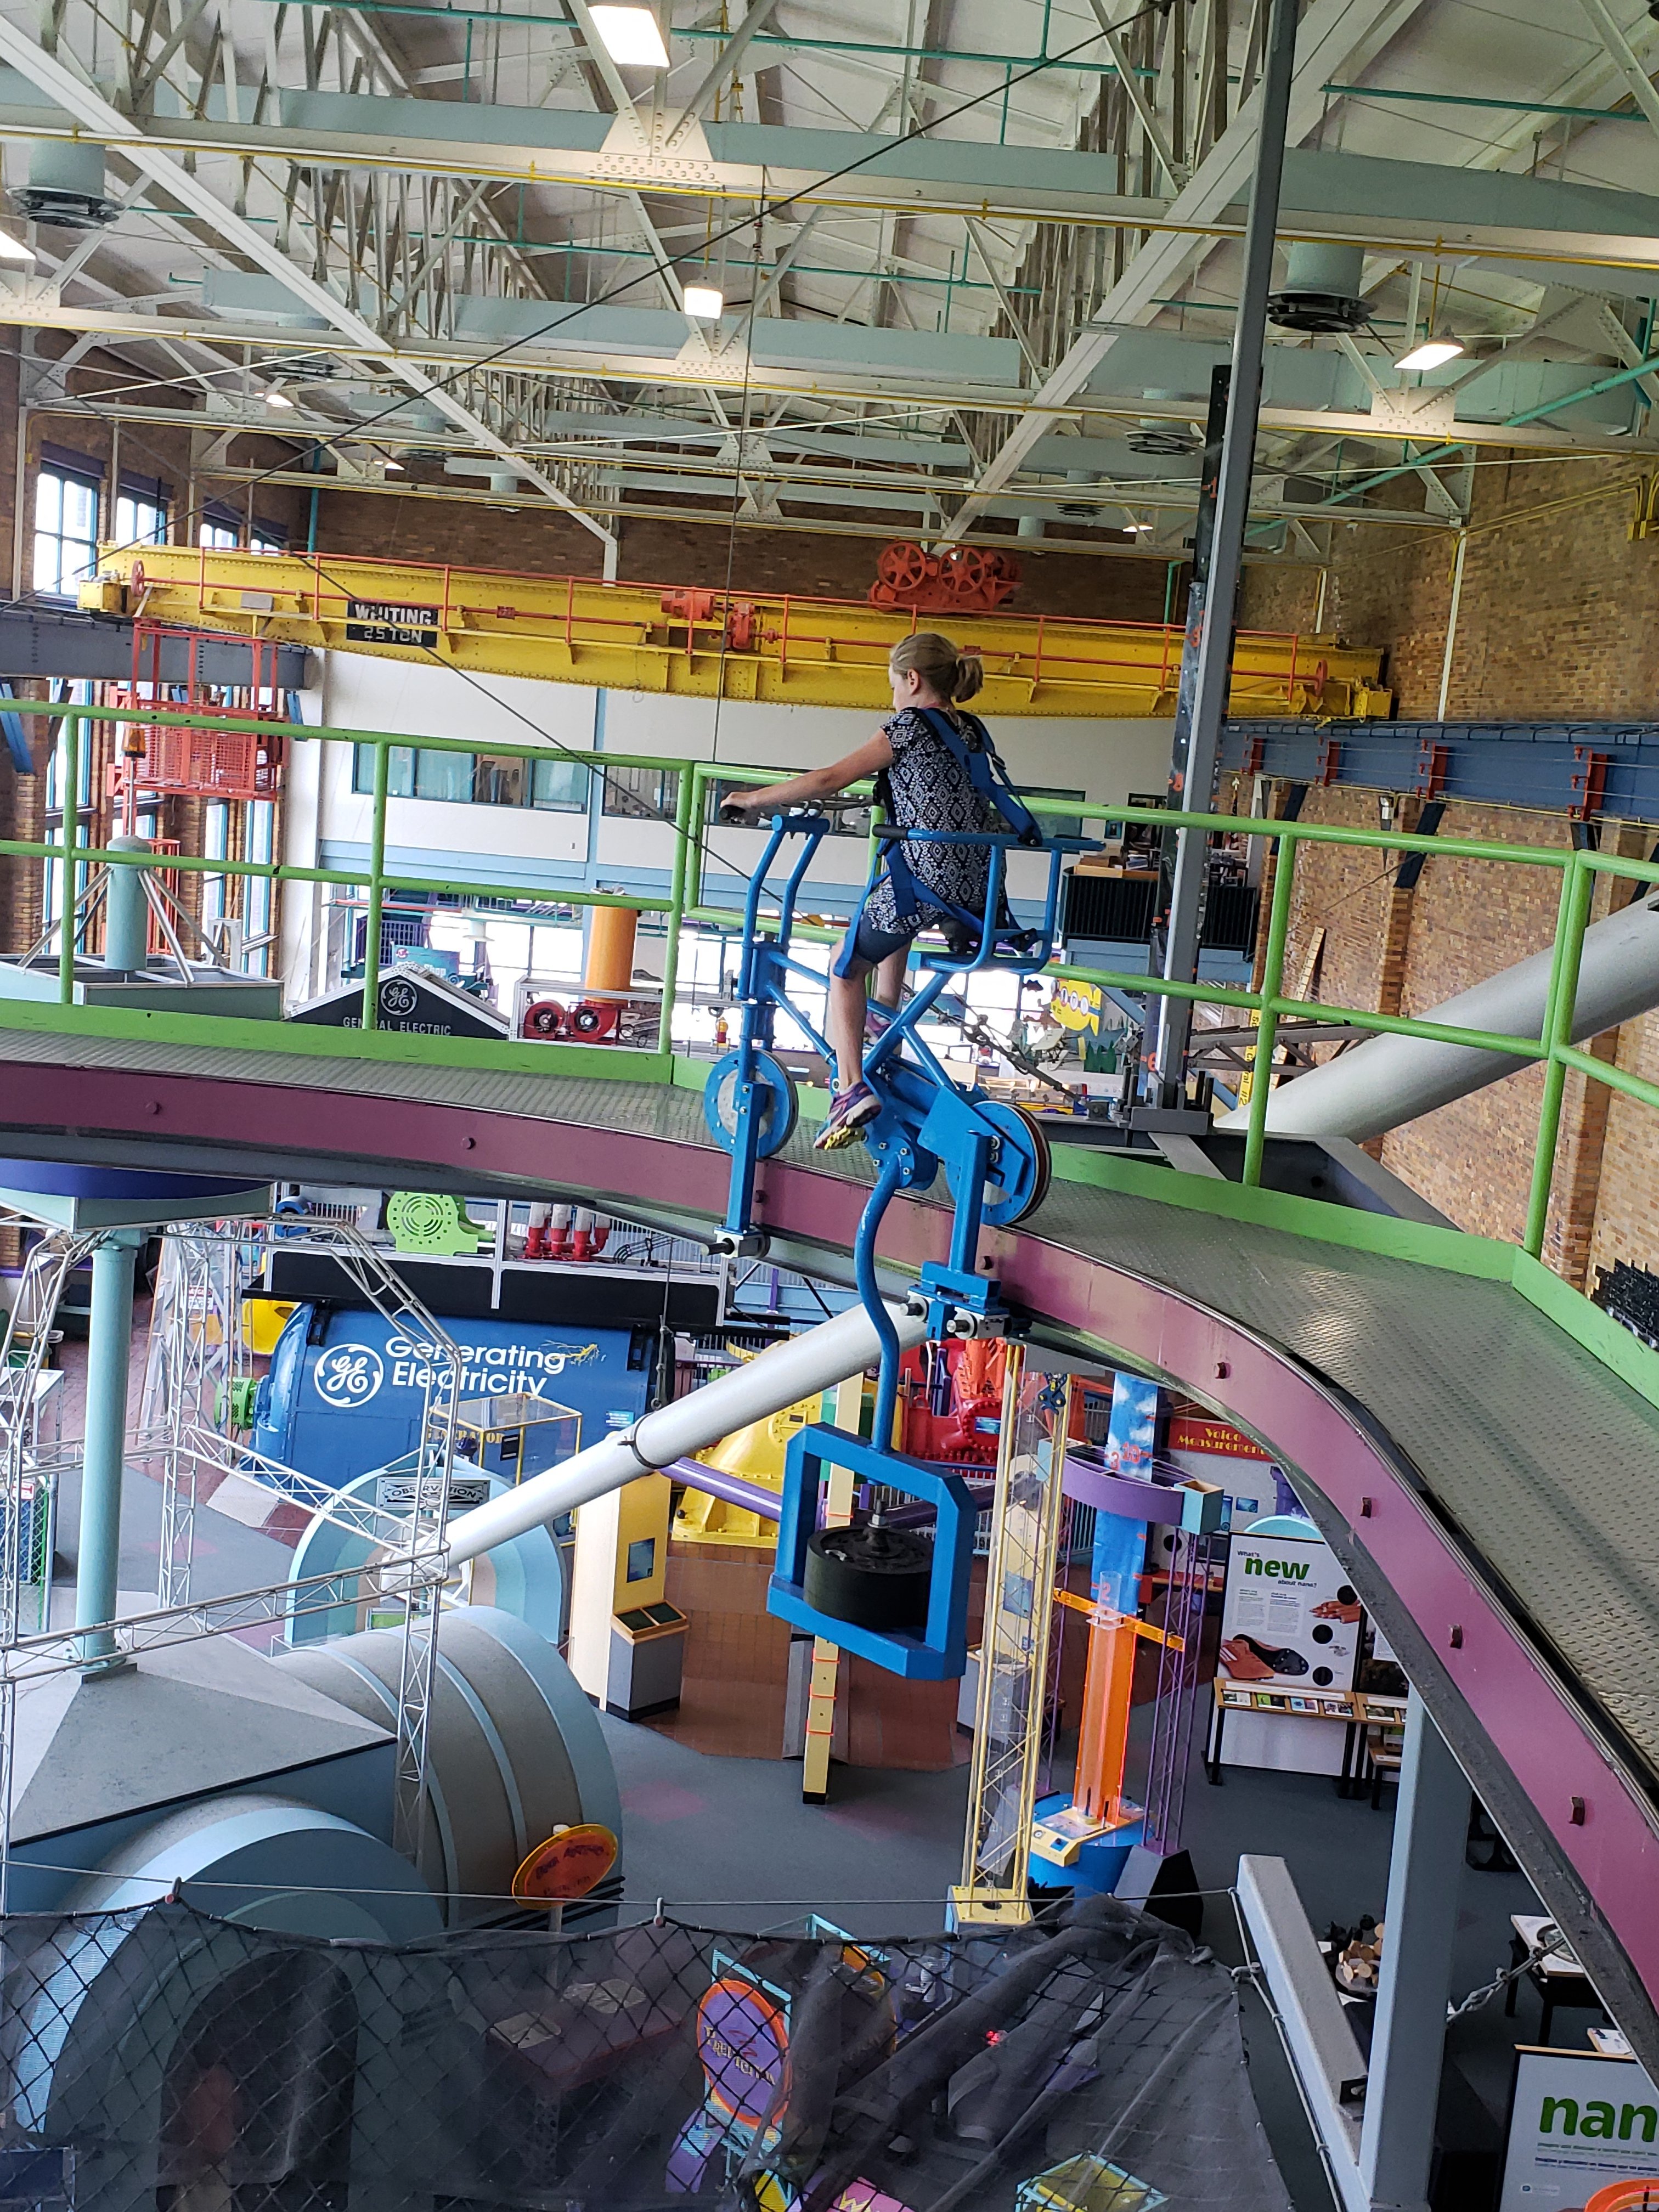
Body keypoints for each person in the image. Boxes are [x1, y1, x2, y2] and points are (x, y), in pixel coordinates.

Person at [730, 630, 1016, 1150]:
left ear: (912, 679)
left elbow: (829, 779)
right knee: (890, 901)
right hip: (981, 884)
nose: (892, 697)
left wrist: (753, 799)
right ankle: (884, 1008)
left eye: (893, 684)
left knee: (843, 965)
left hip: (931, 877)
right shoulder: (971, 729)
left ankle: (848, 1087)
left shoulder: (908, 726)